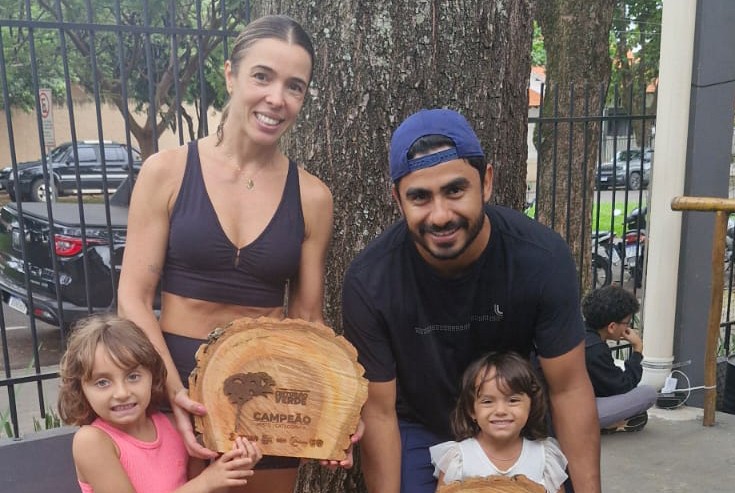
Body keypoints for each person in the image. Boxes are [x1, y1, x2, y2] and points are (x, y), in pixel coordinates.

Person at [117, 14, 353, 492]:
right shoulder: (166, 172)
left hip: (268, 395)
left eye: (294, 86)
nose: (277, 98)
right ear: (230, 75)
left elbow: (308, 319)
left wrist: (335, 405)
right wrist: (175, 393)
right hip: (173, 377)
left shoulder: (312, 197)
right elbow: (133, 299)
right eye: (262, 76)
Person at [342, 108, 601, 493]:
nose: (440, 215)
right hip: (421, 426)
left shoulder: (541, 259)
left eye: (455, 190)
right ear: (397, 199)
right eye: (420, 197)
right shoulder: (370, 281)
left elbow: (569, 388)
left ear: (487, 182)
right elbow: (379, 413)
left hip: (512, 418)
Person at [57, 315, 262, 493]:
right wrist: (207, 481)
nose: (122, 393)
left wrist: (230, 469)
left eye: (133, 376)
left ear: (152, 377)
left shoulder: (175, 427)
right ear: (80, 388)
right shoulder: (92, 441)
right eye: (102, 382)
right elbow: (201, 486)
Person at [430, 352, 568, 493]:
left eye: (513, 400)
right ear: (471, 410)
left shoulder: (545, 457)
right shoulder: (458, 458)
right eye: (487, 402)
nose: (500, 411)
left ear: (531, 406)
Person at [582, 285, 657, 433]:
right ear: (611, 327)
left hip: (557, 403)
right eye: (626, 323)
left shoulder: (578, 332)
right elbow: (622, 387)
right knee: (648, 394)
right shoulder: (595, 349)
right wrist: (637, 350)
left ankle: (612, 423)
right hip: (569, 414)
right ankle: (608, 424)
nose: (628, 328)